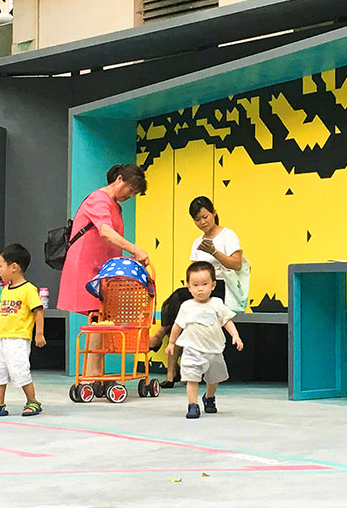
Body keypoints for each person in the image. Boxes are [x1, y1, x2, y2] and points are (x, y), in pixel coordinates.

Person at [57, 164, 151, 385]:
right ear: (119, 180)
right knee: (97, 317)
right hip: (88, 265)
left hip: (104, 268)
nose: (131, 195)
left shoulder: (116, 206)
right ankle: (91, 378)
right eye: (131, 189)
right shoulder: (98, 199)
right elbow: (105, 232)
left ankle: (96, 375)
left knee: (101, 317)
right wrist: (135, 249)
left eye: (135, 193)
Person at [149, 197, 247, 388]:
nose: (202, 222)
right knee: (180, 306)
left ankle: (161, 340)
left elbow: (236, 264)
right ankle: (171, 373)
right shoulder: (197, 242)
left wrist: (214, 252)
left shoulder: (228, 235)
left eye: (205, 216)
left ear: (214, 213)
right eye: (197, 219)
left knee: (179, 302)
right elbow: (193, 270)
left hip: (220, 286)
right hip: (201, 287)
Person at [167, 262, 244, 419]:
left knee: (214, 379)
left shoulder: (217, 304)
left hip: (214, 350)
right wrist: (171, 343)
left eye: (204, 284)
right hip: (192, 350)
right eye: (195, 285)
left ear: (213, 285)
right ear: (188, 287)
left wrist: (235, 335)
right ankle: (192, 405)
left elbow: (227, 321)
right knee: (191, 378)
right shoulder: (186, 306)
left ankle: (209, 397)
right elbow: (177, 326)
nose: (200, 289)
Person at [0, 243, 46, 418]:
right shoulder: (6, 290)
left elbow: (38, 311)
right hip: (2, 338)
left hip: (18, 338)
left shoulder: (28, 290)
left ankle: (32, 401)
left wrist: (39, 334)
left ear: (13, 267)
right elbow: (3, 314)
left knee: (19, 370)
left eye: (1, 266)